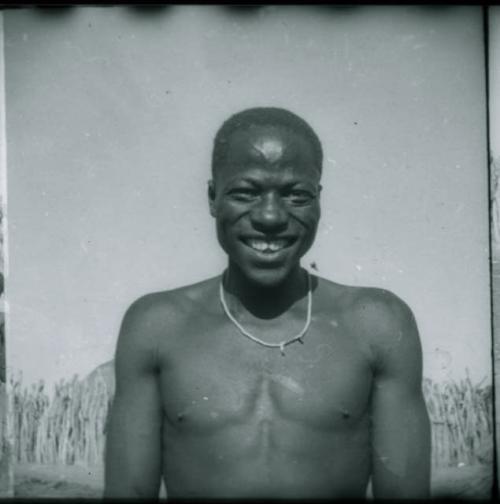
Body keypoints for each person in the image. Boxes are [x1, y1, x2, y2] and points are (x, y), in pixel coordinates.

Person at [104, 107, 431, 499]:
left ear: (318, 200)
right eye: (246, 192)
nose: (271, 216)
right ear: (212, 197)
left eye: (296, 195)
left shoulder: (376, 323)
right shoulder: (157, 326)